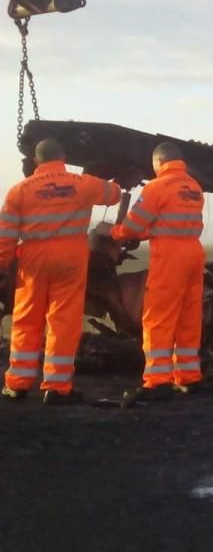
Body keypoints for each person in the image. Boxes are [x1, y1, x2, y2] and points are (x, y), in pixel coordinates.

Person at [0, 137, 121, 404]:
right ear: (64, 158)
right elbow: (114, 195)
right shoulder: (84, 184)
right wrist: (109, 176)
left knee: (26, 319)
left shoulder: (18, 190)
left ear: (35, 161)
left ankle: (17, 384)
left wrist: (1, 266)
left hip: (33, 259)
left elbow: (5, 235)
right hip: (70, 258)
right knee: (63, 321)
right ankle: (56, 387)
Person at [111, 142, 205, 401]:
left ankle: (157, 381)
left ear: (157, 163)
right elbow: (168, 219)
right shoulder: (193, 187)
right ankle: (188, 377)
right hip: (194, 255)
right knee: (189, 317)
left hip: (170, 258)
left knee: (158, 318)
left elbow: (134, 224)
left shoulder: (156, 187)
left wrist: (117, 233)